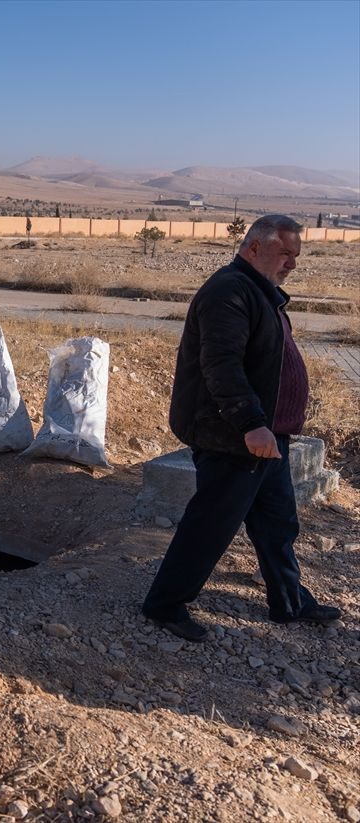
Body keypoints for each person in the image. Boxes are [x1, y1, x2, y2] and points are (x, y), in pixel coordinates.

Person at [141, 214, 342, 642]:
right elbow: (222, 366)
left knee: (277, 524)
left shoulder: (260, 290)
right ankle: (164, 605)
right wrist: (252, 424)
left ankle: (289, 602)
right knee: (211, 525)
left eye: (296, 255)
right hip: (235, 438)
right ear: (253, 248)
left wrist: (268, 428)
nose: (292, 263)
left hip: (269, 439)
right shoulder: (229, 291)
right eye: (284, 253)